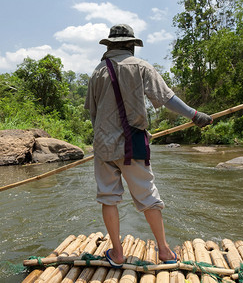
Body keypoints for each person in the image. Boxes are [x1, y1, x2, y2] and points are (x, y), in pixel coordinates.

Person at [85, 24, 212, 267]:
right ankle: (164, 251)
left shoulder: (97, 72)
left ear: (110, 45)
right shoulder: (141, 67)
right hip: (133, 145)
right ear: (131, 44)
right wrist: (194, 115)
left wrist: (104, 138)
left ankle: (118, 254)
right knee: (148, 196)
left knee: (108, 198)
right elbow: (166, 98)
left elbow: (93, 114)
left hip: (103, 146)